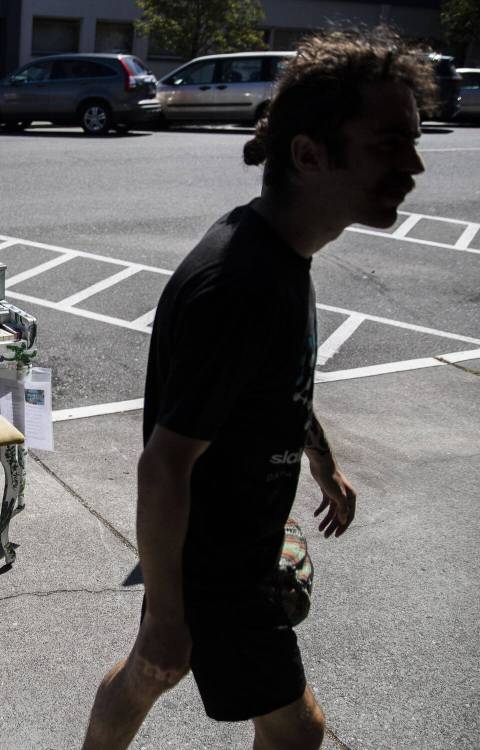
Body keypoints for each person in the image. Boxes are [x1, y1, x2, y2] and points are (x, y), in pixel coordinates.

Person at [81, 28, 434, 750]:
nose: (416, 166)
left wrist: (321, 460)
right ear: (310, 155)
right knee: (297, 730)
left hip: (235, 547)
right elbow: (165, 463)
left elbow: (276, 386)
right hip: (216, 563)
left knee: (150, 674)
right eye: (389, 145)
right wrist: (172, 611)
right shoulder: (241, 285)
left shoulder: (280, 252)